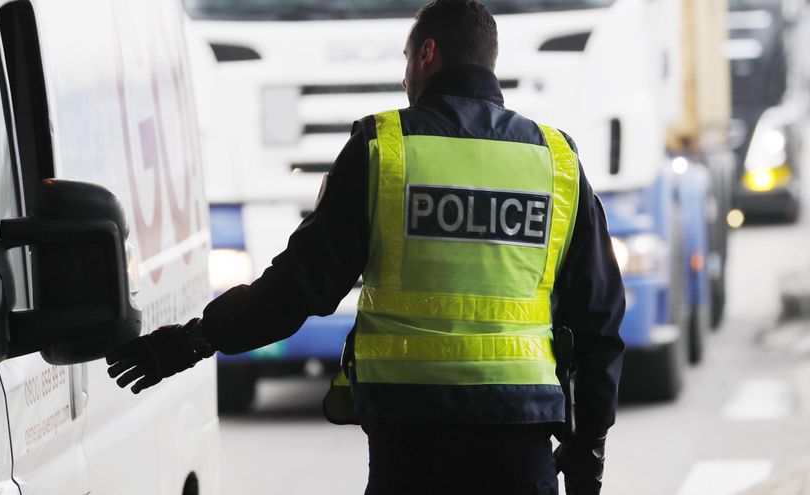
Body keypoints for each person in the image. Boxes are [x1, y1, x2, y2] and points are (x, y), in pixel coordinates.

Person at [106, 1, 625, 493]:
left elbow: (296, 288)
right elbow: (598, 321)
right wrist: (588, 447)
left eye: (406, 60)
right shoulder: (556, 161)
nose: (405, 77)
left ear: (427, 54)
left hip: (411, 446)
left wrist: (192, 340)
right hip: (520, 440)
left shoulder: (384, 150)